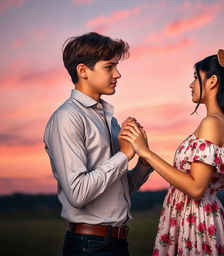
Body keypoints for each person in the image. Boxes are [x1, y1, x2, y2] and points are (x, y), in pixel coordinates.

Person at [119, 49, 224, 256]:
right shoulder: (221, 123)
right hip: (202, 215)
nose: (191, 85)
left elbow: (195, 187)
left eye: (195, 78)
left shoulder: (212, 123)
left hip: (196, 219)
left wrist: (146, 153)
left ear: (212, 81)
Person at [44, 32, 153, 256]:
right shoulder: (68, 117)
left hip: (117, 242)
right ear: (83, 71)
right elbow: (77, 194)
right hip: (89, 246)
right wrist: (123, 155)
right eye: (109, 67)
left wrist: (144, 158)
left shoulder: (109, 120)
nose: (118, 74)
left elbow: (120, 189)